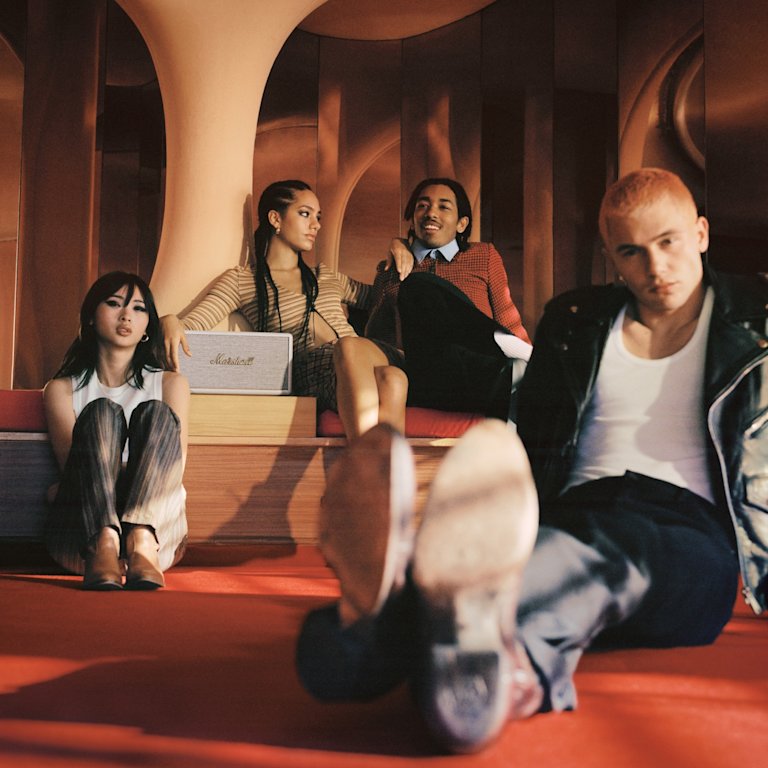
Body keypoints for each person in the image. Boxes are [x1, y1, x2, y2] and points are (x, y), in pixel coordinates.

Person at [295, 168, 768, 752]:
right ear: (611, 256)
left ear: (700, 233)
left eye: (668, 242)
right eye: (631, 252)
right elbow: (538, 440)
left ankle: (375, 633)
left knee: (603, 558)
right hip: (575, 514)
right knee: (551, 562)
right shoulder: (577, 324)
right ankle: (488, 682)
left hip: (691, 538)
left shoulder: (757, 326)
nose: (654, 268)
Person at [161, 180, 409, 414]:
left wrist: (399, 244)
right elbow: (192, 326)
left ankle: (375, 459)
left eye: (318, 217)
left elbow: (384, 297)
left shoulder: (325, 275)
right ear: (275, 218)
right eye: (305, 214)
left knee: (393, 378)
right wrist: (170, 320)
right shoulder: (243, 280)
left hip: (359, 364)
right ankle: (368, 455)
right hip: (312, 372)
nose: (316, 225)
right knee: (351, 348)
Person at [334, 177, 531, 438]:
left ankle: (525, 365)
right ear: (413, 217)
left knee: (431, 293)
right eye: (422, 206)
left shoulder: (483, 256)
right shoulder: (389, 271)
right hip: (425, 376)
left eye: (443, 206)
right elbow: (378, 337)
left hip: (475, 370)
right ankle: (522, 366)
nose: (431, 213)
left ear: (462, 223)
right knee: (418, 286)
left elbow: (507, 317)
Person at [44, 271, 190, 591]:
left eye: (138, 308)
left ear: (148, 326)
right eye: (114, 304)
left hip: (157, 543)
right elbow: (80, 474)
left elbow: (172, 469)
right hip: (81, 544)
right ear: (91, 318)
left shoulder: (170, 384)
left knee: (156, 414)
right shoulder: (60, 390)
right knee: (101, 414)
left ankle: (141, 538)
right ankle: (106, 542)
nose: (126, 315)